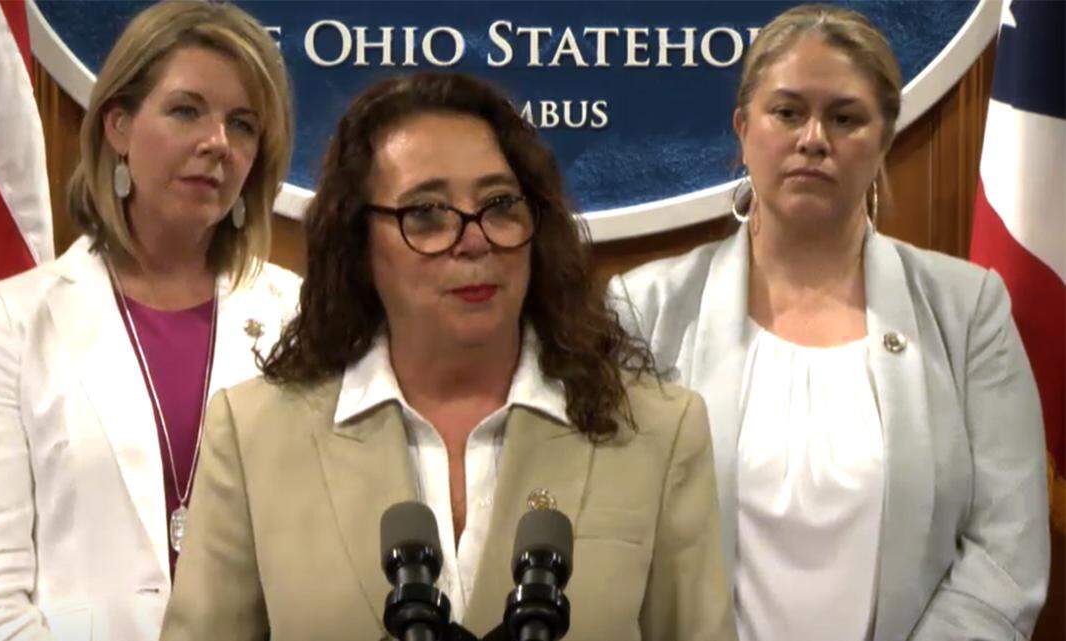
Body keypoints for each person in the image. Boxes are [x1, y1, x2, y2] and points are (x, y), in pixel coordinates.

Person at [160, 71, 736, 641]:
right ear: (359, 243)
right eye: (427, 214)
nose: (476, 239)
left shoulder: (655, 430)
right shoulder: (257, 433)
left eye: (500, 205)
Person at [608, 5, 1049, 641]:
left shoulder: (968, 309)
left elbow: (1008, 554)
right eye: (787, 112)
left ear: (884, 139)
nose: (813, 137)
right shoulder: (645, 308)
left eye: (845, 117)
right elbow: (613, 539)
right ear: (743, 129)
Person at [0, 2, 300, 639]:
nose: (217, 143)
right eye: (187, 110)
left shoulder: (296, 315)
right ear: (118, 126)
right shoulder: (15, 321)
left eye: (242, 125)